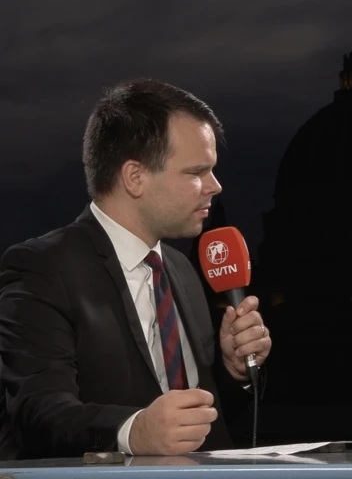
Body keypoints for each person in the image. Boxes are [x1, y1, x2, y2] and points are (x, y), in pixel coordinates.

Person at [0, 78, 272, 459]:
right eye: (197, 172)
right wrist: (133, 432)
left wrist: (233, 372)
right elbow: (37, 413)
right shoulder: (42, 269)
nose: (215, 186)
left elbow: (205, 424)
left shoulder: (182, 269)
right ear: (135, 178)